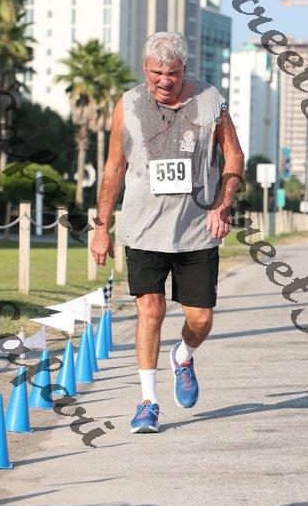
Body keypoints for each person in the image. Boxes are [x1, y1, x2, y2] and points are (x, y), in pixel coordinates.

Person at [91, 31, 244, 433]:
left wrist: (223, 204)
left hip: (197, 228)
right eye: (156, 72)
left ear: (184, 70)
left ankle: (183, 356)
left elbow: (233, 154)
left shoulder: (210, 100)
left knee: (201, 318)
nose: (164, 80)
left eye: (171, 73)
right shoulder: (128, 104)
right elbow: (114, 168)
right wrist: (101, 227)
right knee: (150, 310)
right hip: (143, 228)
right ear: (145, 69)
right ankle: (147, 402)